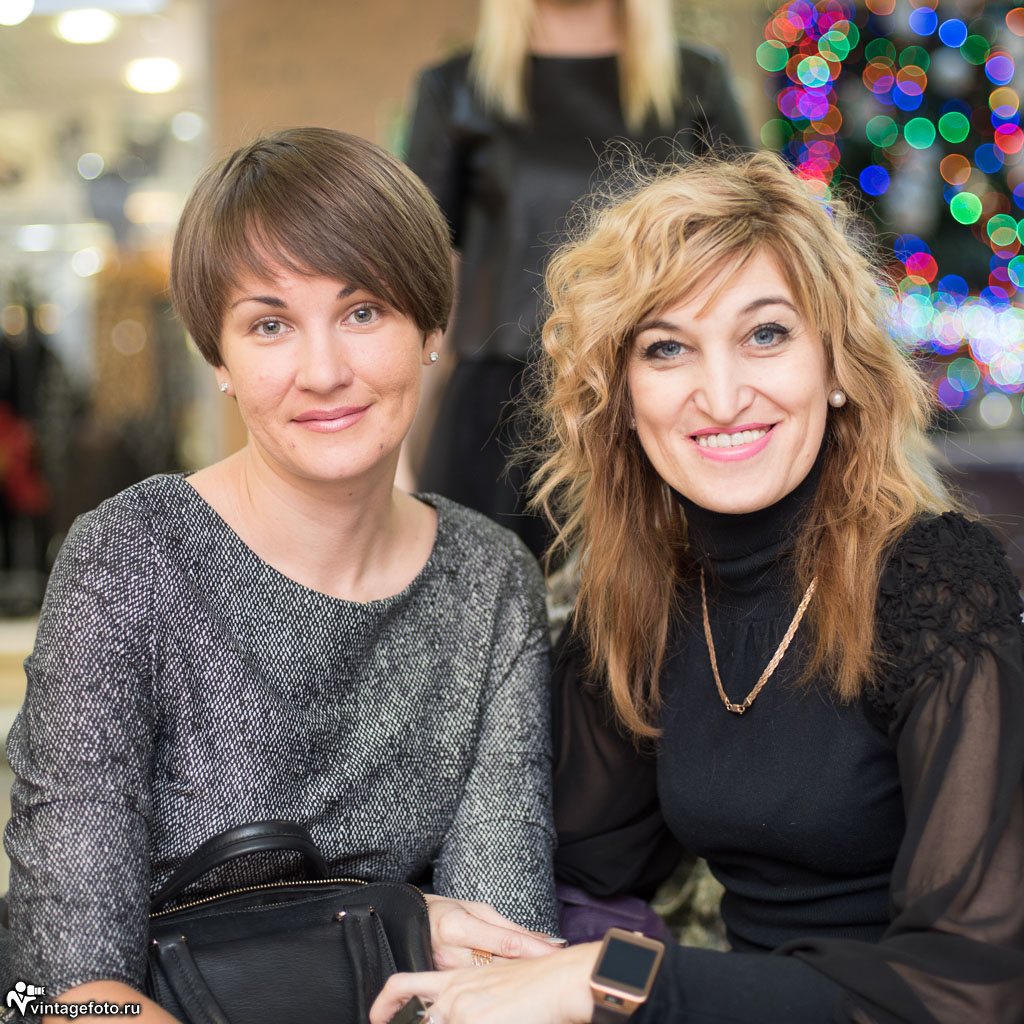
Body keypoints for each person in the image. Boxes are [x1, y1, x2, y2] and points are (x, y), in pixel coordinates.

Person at [370, 152, 1024, 1023]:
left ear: (836, 366)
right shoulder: (650, 597)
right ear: (622, 395)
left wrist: (611, 980)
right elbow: (561, 853)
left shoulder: (937, 585)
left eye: (766, 335)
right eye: (668, 348)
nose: (720, 396)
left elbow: (970, 990)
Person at [3, 127, 561, 1022]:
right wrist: (389, 926)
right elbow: (62, 993)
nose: (325, 371)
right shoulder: (130, 558)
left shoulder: (488, 580)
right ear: (218, 360)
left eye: (363, 312)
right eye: (269, 325)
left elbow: (504, 954)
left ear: (431, 328)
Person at [405, 0, 749, 557]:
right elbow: (414, 282)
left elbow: (752, 244)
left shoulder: (695, 80)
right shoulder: (457, 89)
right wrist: (394, 454)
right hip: (497, 417)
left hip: (651, 395)